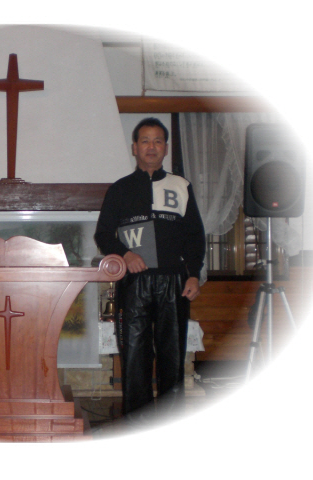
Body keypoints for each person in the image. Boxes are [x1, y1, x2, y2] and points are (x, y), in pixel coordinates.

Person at [94, 117, 205, 420]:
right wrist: (125, 254)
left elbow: (195, 236)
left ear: (165, 147)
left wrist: (193, 274)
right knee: (134, 355)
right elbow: (103, 235)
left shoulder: (181, 186)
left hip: (174, 282)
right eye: (145, 141)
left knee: (172, 354)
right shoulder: (119, 189)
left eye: (157, 141)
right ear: (135, 147)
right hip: (135, 282)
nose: (151, 146)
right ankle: (137, 424)